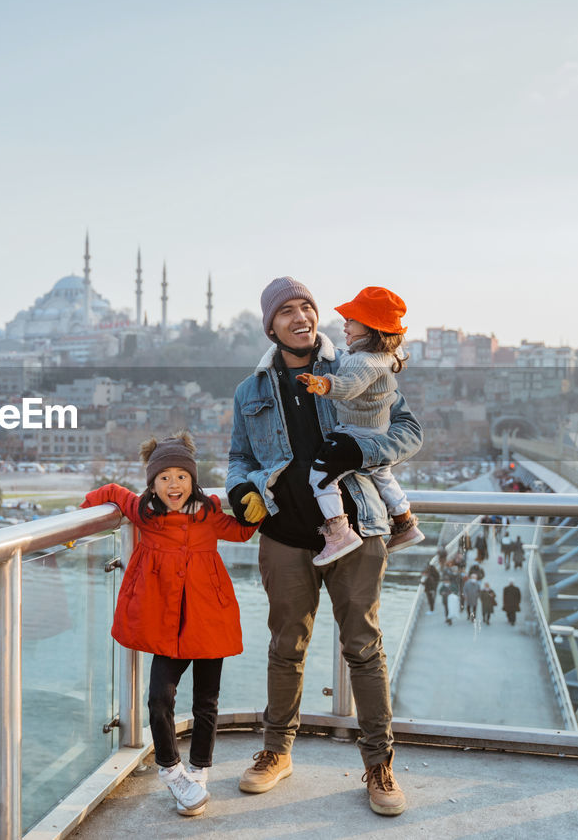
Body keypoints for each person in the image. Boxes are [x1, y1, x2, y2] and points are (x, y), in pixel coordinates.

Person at [227, 277, 423, 816]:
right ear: (271, 324)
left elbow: (409, 431)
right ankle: (275, 752)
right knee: (285, 646)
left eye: (307, 307)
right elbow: (239, 458)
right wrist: (241, 489)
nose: (301, 317)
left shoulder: (356, 366)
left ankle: (379, 765)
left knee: (363, 646)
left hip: (357, 528)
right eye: (287, 311)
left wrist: (357, 451)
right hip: (285, 537)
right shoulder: (251, 391)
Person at [82, 432, 257, 817]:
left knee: (206, 703)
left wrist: (257, 509)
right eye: (164, 477)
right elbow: (111, 491)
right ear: (152, 483)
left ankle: (199, 771)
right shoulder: (144, 514)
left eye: (181, 475)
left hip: (210, 617)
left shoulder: (210, 512)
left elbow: (242, 532)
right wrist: (77, 527)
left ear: (193, 479)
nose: (173, 484)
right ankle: (171, 770)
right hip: (167, 625)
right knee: (159, 699)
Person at [295, 286, 424, 564]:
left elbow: (349, 386)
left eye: (352, 320)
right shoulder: (384, 358)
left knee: (320, 477)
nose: (345, 325)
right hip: (376, 431)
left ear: (371, 328)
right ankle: (404, 522)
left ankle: (339, 531)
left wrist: (324, 384)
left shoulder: (361, 361)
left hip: (356, 433)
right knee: (382, 474)